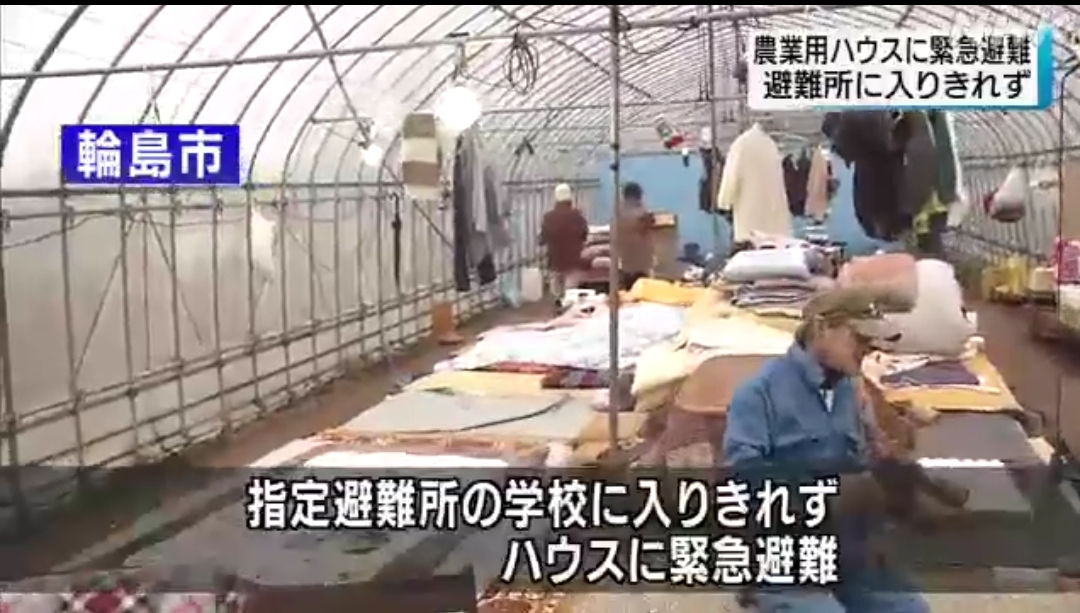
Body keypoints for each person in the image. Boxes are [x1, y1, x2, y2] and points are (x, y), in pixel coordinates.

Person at [723, 288, 930, 613]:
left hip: (848, 550)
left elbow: (862, 461)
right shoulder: (758, 393)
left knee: (910, 609)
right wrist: (822, 494)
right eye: (859, 338)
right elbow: (742, 481)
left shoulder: (849, 389)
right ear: (821, 328)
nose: (868, 348)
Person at [539, 183, 589, 304]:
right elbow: (584, 235)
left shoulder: (549, 217)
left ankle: (558, 309)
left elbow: (543, 239)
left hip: (555, 261)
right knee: (570, 296)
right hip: (573, 261)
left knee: (557, 295)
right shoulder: (577, 216)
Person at [616, 181, 655, 290]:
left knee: (629, 291)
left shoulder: (619, 211)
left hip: (627, 262)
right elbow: (645, 226)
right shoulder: (641, 212)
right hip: (641, 263)